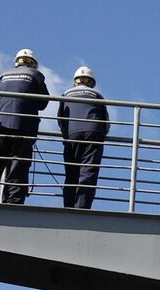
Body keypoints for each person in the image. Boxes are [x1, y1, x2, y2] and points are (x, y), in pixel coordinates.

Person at [0, 49, 49, 204]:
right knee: (17, 167)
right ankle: (13, 202)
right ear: (33, 64)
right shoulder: (35, 75)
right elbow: (44, 102)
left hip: (0, 127)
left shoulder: (1, 75)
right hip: (23, 128)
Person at [56, 66, 109, 209]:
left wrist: (66, 134)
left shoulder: (65, 94)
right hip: (93, 133)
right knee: (88, 172)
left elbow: (60, 119)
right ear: (91, 82)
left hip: (72, 135)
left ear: (75, 81)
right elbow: (106, 123)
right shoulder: (97, 95)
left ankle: (68, 207)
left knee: (71, 172)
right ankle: (82, 208)